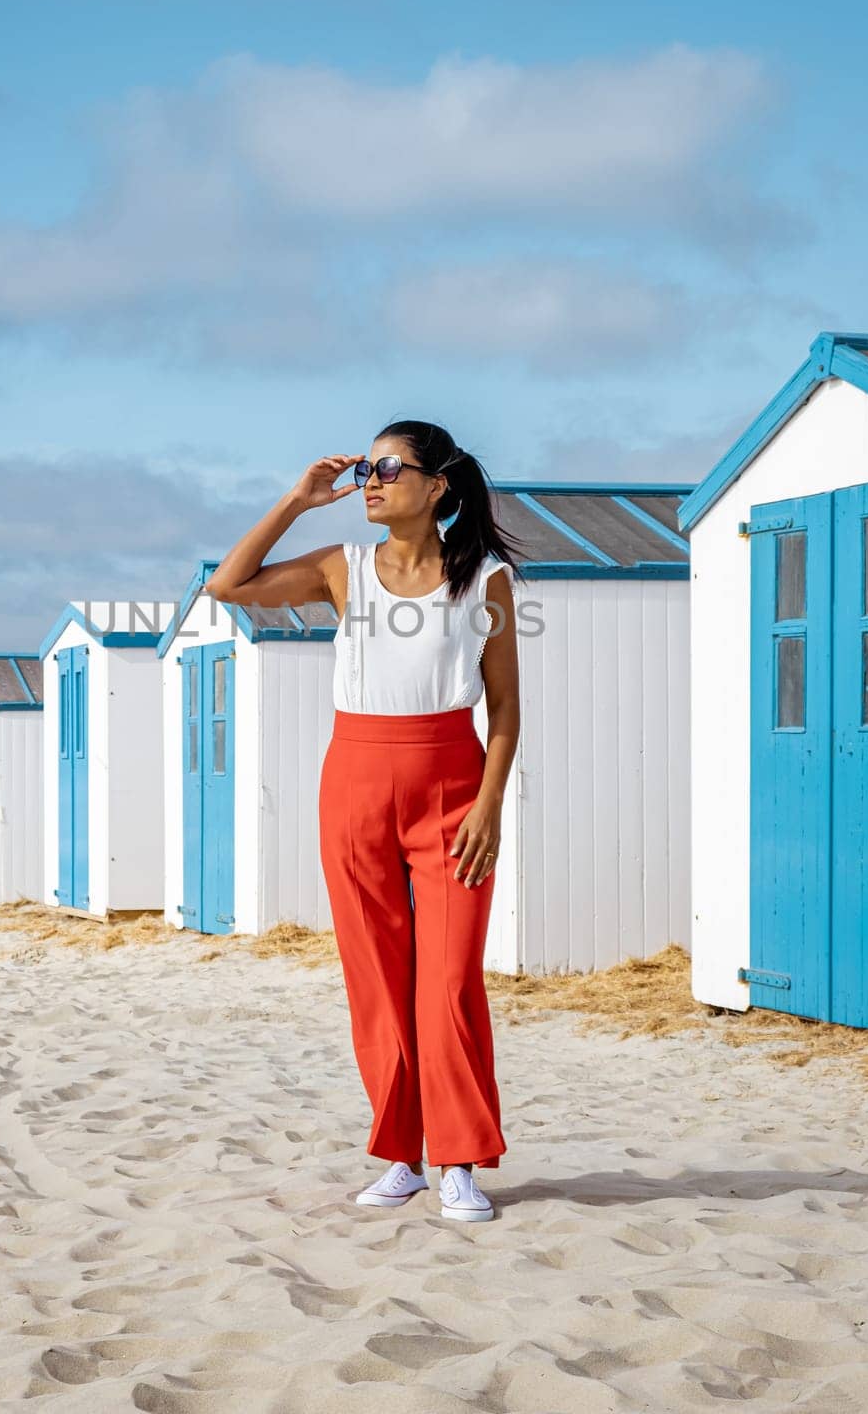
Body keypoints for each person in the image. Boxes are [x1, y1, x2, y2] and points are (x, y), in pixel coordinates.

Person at [204, 419, 525, 1222]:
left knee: (448, 983)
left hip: (452, 784)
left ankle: (459, 1162)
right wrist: (296, 502)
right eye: (369, 468)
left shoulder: (483, 579)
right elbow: (228, 586)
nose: (371, 481)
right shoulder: (341, 569)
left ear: (438, 485)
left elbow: (507, 710)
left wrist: (488, 804)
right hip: (353, 782)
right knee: (377, 983)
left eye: (390, 467)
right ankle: (403, 1157)